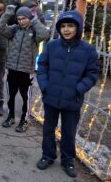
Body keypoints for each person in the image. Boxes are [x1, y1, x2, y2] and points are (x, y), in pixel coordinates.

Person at [36, 11, 99, 178]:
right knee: (48, 129)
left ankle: (68, 160)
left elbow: (92, 74)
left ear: (77, 28)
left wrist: (79, 88)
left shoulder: (88, 50)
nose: (66, 29)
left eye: (70, 25)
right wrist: (45, 85)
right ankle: (48, 155)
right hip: (51, 96)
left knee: (69, 131)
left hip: (72, 99)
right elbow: (42, 66)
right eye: (63, 26)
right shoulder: (51, 46)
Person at [0, 6, 50, 132]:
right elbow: (0, 28)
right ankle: (11, 117)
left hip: (27, 71)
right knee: (11, 95)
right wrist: (7, 14)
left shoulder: (35, 32)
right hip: (12, 69)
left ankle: (24, 120)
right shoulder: (14, 30)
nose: (21, 21)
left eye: (24, 18)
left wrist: (34, 19)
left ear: (29, 18)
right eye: (19, 19)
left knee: (26, 96)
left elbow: (44, 34)